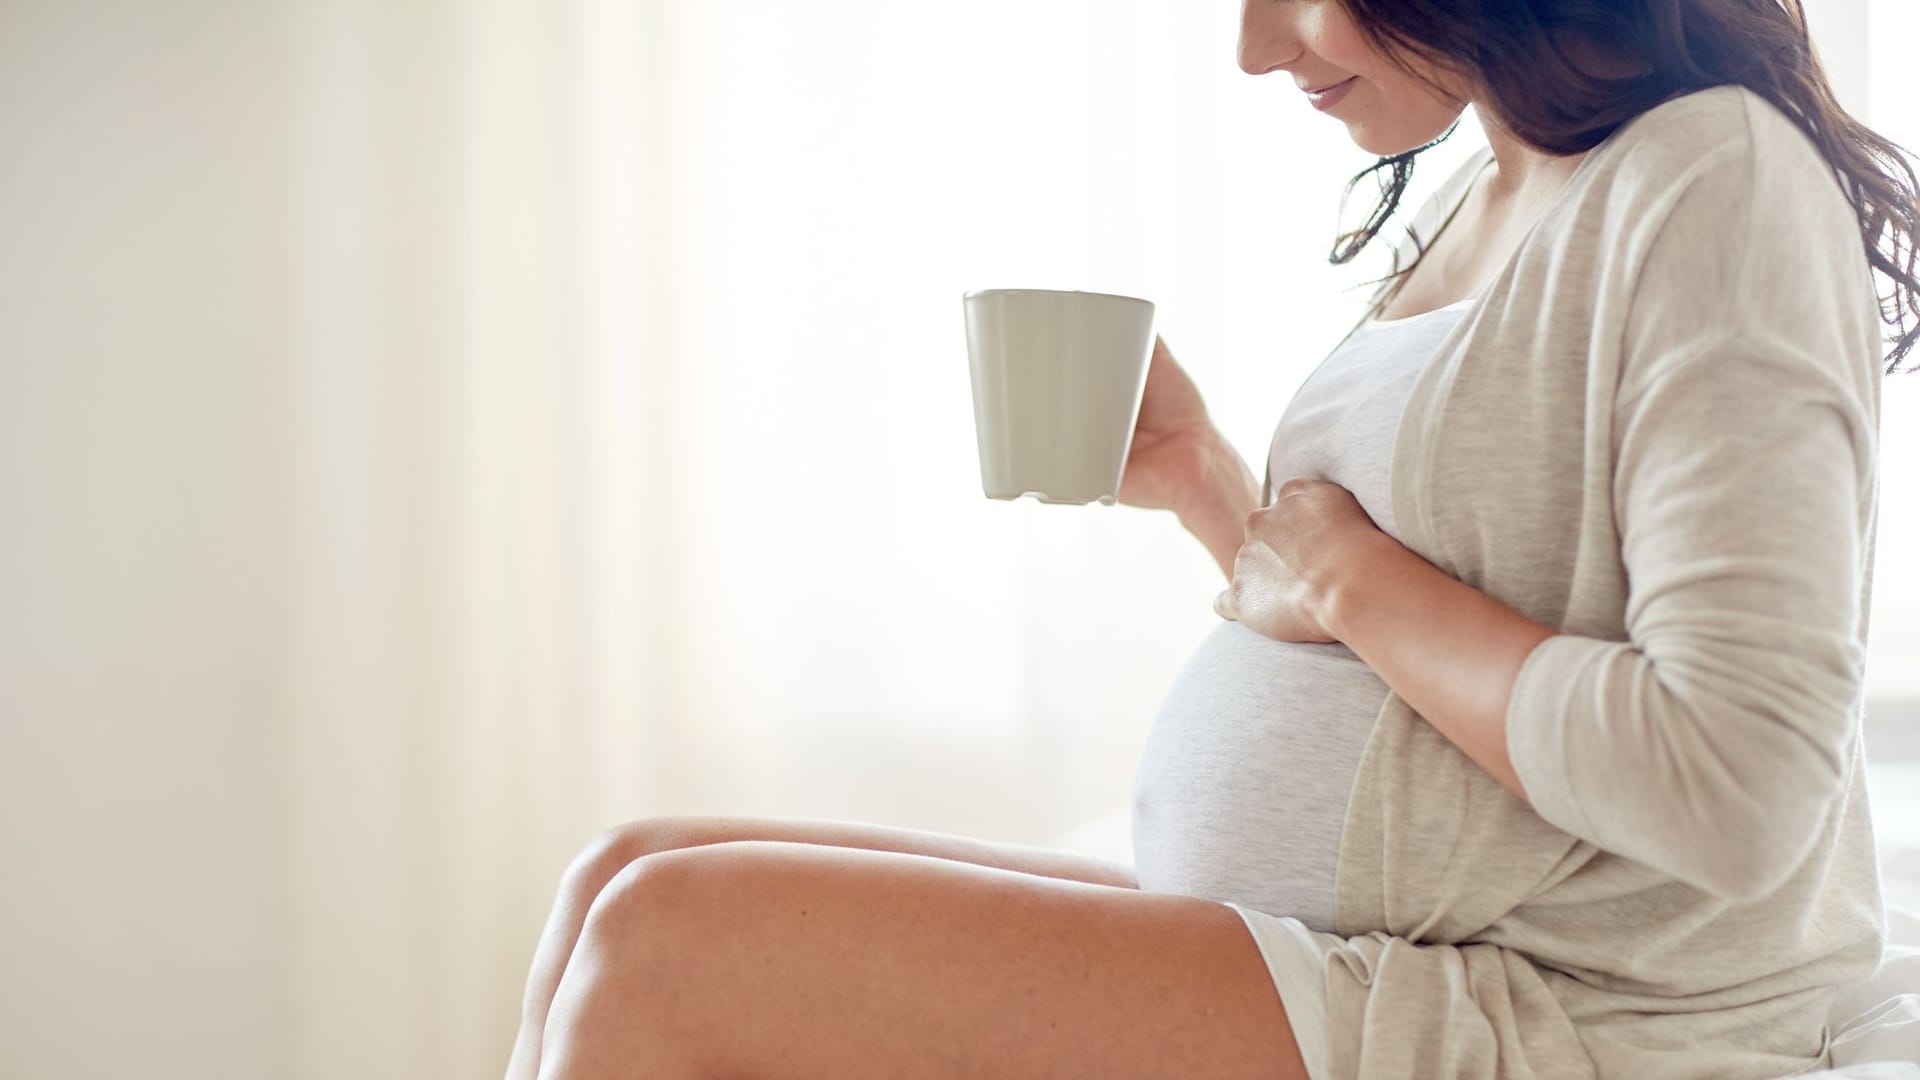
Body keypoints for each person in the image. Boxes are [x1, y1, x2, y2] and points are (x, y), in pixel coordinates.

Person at [504, 1, 1920, 1077]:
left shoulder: (1711, 176)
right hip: (1374, 941)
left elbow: (1737, 785)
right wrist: (1208, 492)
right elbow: (1395, 614)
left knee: (669, 941)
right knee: (624, 872)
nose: (1253, 49)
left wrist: (1353, 578)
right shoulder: (1486, 186)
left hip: (1562, 1005)